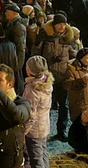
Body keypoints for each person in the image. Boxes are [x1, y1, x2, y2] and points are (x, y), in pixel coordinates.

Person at [32, 13, 79, 142]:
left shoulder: (69, 37)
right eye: (59, 24)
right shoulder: (45, 35)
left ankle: (61, 130)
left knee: (63, 105)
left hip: (63, 76)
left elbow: (74, 55)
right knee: (44, 105)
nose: (62, 26)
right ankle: (42, 130)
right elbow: (35, 55)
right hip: (47, 78)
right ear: (54, 25)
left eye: (64, 24)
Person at [22, 56, 54, 168]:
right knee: (43, 152)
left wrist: (23, 132)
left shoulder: (32, 90)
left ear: (30, 70)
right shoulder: (46, 82)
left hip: (34, 130)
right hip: (44, 125)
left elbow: (31, 115)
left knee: (36, 159)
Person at [4, 3, 27, 70]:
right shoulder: (11, 23)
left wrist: (18, 64)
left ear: (14, 13)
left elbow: (20, 47)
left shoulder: (18, 27)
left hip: (15, 61)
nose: (5, 13)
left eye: (7, 12)